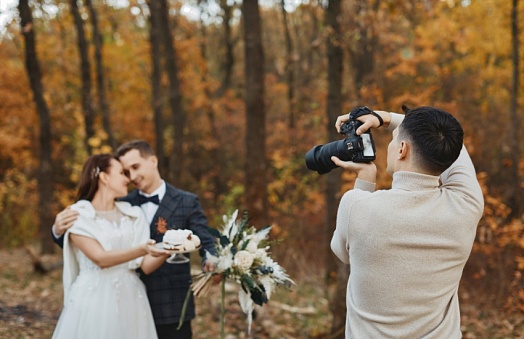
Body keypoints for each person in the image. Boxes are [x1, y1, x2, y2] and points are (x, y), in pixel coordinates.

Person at [329, 106, 484, 338]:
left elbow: (343, 253)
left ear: (402, 149)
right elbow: (456, 150)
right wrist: (387, 120)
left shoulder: (356, 205)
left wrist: (364, 181)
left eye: (393, 140)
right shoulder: (466, 205)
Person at [52, 140, 217, 339]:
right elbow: (84, 245)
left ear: (153, 161)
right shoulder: (121, 202)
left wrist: (211, 260)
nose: (131, 177)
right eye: (125, 171)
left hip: (170, 303)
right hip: (116, 301)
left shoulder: (186, 201)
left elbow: (205, 239)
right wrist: (57, 231)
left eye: (135, 167)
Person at [52, 153, 170, 339]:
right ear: (104, 177)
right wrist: (142, 249)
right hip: (94, 299)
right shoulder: (77, 216)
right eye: (122, 173)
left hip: (132, 298)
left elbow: (145, 265)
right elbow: (100, 258)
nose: (128, 179)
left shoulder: (133, 215)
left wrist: (168, 249)